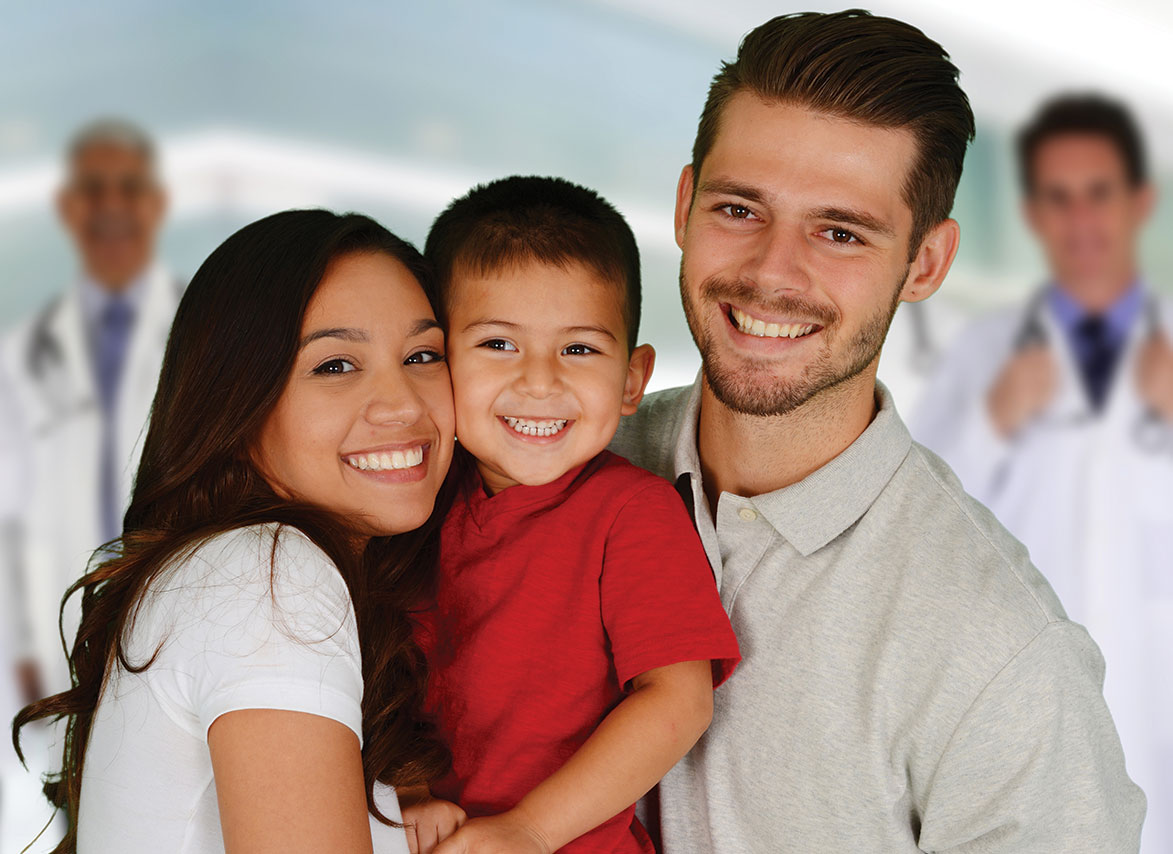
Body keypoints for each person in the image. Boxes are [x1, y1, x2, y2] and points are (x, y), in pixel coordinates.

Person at [609, 11, 1146, 852]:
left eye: (839, 232)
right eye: (740, 208)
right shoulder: (545, 464)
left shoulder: (1002, 659)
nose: (770, 273)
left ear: (925, 265)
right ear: (684, 205)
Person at [13, 210, 457, 854]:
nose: (405, 404)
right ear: (237, 401)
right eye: (334, 365)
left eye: (423, 355)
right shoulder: (267, 572)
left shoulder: (225, 570)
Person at [401, 176, 740, 854]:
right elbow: (372, 670)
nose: (539, 381)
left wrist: (528, 831)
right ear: (436, 362)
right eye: (498, 344)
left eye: (578, 348)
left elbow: (677, 702)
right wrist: (404, 786)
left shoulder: (631, 513)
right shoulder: (408, 502)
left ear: (631, 381)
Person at [912, 94, 1170, 852]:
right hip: (1027, 694)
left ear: (1138, 202)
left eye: (1098, 194)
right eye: (1057, 199)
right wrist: (991, 422)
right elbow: (917, 516)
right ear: (1033, 215)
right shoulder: (984, 354)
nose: (1079, 220)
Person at [0, 118, 181, 706]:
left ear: (156, 205)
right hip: (55, 647)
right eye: (92, 190)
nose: (112, 207)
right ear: (67, 207)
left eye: (129, 189)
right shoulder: (20, 355)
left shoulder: (203, 333)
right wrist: (20, 649)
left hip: (176, 624)